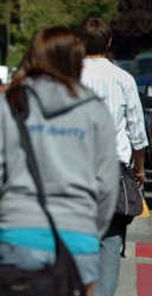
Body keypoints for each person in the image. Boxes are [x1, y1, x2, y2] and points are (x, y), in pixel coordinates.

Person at [0, 26, 119, 296]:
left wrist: (13, 193)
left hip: (19, 233)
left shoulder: (11, 102)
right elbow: (108, 184)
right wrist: (90, 229)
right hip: (78, 235)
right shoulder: (94, 109)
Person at [79, 16, 149, 296]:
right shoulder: (124, 79)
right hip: (112, 172)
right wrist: (140, 169)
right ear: (109, 42)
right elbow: (137, 132)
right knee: (109, 242)